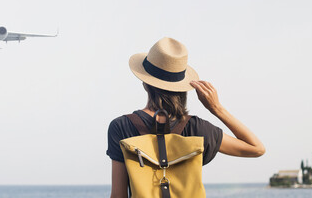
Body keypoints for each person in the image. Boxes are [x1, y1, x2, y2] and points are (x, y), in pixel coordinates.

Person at [107, 37, 265, 198]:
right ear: (182, 87)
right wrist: (216, 108)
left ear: (145, 84)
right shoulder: (197, 128)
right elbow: (256, 148)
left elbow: (118, 195)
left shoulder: (121, 126)